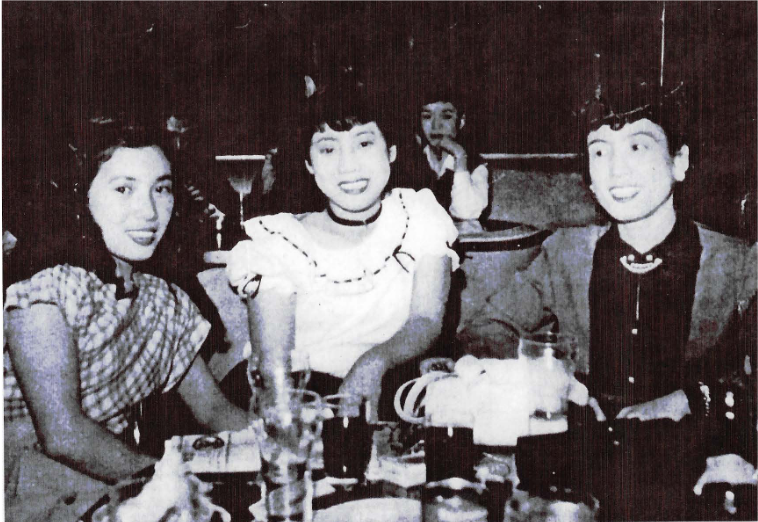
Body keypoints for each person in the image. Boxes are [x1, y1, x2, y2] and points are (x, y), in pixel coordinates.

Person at [459, 82, 757, 520]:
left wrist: (690, 398)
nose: (617, 170)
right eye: (599, 152)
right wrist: (551, 379)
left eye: (638, 146)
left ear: (680, 161)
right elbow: (485, 330)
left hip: (698, 476)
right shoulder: (568, 252)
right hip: (578, 476)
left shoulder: (737, 262)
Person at [3, 116, 252, 522]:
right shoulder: (46, 290)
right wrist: (167, 485)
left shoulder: (164, 298)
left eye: (162, 189)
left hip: (109, 491)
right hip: (26, 493)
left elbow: (214, 412)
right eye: (123, 189)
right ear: (81, 196)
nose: (148, 210)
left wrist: (287, 444)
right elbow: (63, 436)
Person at [225, 85, 458, 419]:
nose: (348, 167)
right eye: (328, 149)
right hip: (299, 397)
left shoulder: (419, 215)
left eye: (364, 143)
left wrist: (374, 362)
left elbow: (426, 319)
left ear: (391, 151)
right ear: (308, 163)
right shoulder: (279, 240)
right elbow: (274, 364)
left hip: (391, 378)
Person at [393, 86, 489, 222]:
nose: (435, 126)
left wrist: (460, 157)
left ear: (461, 121)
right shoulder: (407, 161)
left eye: (446, 116)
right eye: (427, 116)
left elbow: (466, 214)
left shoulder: (476, 166)